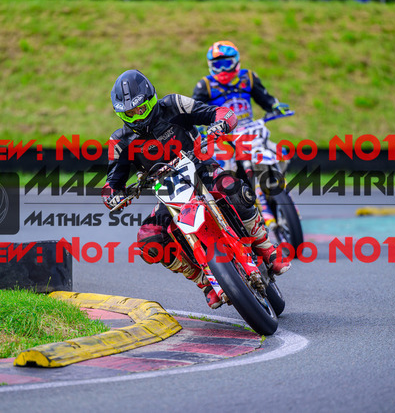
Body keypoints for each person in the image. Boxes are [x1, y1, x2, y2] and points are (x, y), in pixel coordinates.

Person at [103, 70, 290, 309]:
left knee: (234, 189)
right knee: (149, 240)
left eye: (140, 109)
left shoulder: (174, 104)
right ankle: (204, 282)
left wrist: (221, 123)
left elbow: (219, 113)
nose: (136, 116)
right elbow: (111, 183)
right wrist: (113, 196)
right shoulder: (119, 141)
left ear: (150, 100)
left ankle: (266, 248)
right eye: (129, 113)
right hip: (168, 191)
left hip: (202, 169)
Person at [192, 40, 291, 228]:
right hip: (224, 135)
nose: (222, 69)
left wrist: (275, 106)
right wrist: (201, 126)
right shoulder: (204, 85)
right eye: (217, 65)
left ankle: (279, 190)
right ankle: (232, 212)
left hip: (250, 131)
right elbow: (196, 111)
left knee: (280, 154)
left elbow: (265, 99)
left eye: (226, 64)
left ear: (236, 62)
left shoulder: (248, 78)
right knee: (223, 174)